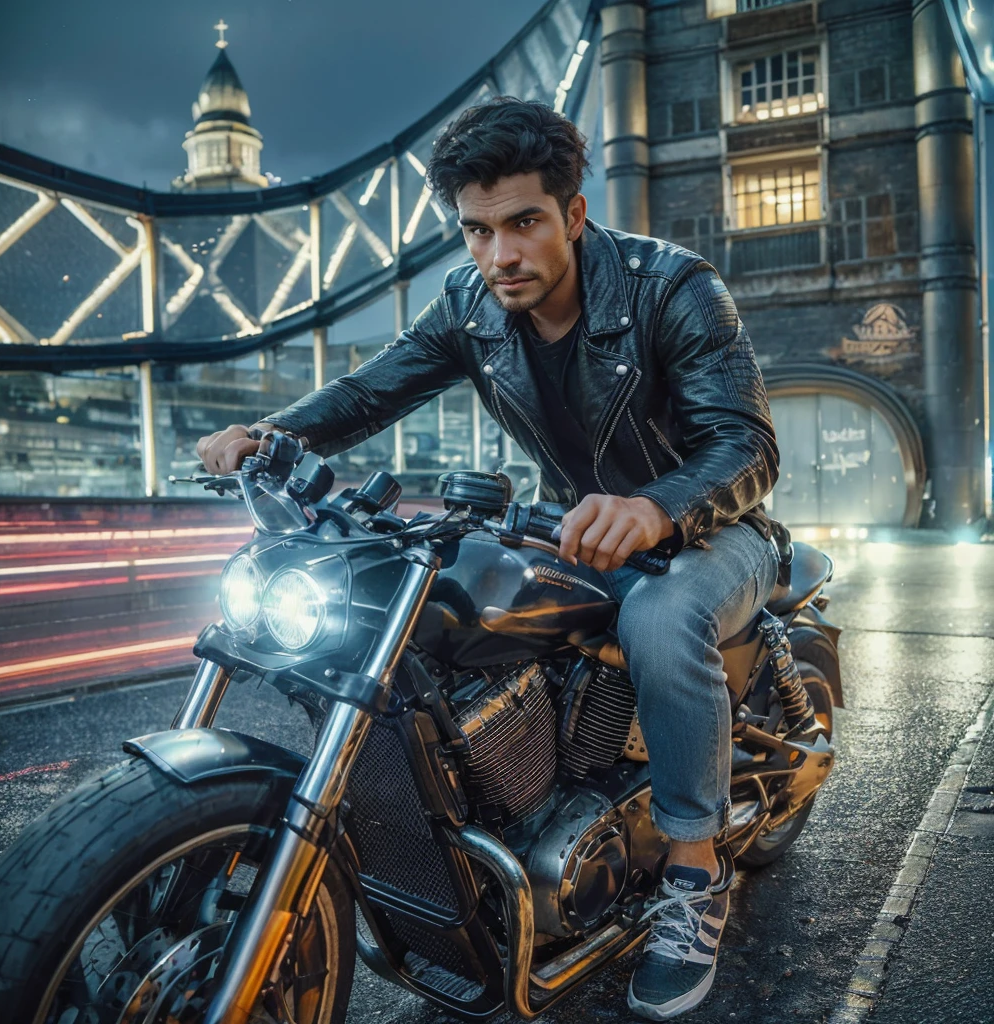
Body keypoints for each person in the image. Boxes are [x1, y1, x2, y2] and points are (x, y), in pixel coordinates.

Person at [197, 97, 780, 1021]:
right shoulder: (471, 305)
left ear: (573, 214)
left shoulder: (672, 286)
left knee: (660, 616)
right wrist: (271, 433)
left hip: (712, 529)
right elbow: (368, 391)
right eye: (476, 230)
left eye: (523, 223)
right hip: (565, 523)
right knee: (455, 608)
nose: (500, 254)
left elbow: (747, 444)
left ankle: (694, 871)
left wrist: (654, 508)